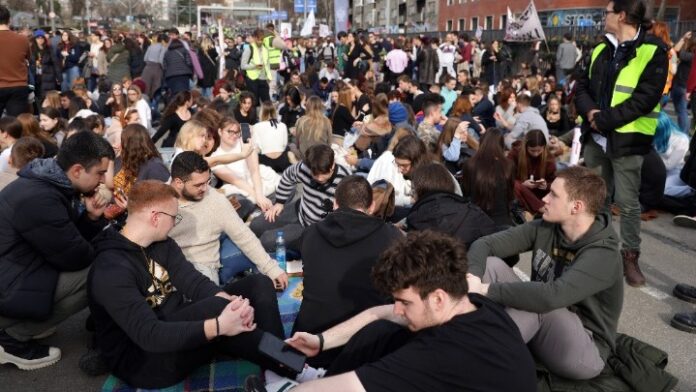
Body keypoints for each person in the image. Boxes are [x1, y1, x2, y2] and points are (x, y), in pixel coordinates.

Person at [264, 230, 536, 391]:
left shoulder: (441, 354)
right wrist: (321, 341)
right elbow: (380, 313)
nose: (397, 308)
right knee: (386, 327)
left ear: (438, 298)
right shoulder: (476, 305)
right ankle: (324, 372)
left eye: (405, 302)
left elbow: (350, 388)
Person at [88, 179, 296, 389]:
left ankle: (278, 369)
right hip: (145, 361)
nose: (175, 222)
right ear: (155, 218)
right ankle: (296, 366)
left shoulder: (161, 243)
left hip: (177, 325)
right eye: (174, 217)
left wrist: (230, 302)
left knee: (258, 284)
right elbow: (149, 334)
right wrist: (219, 325)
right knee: (219, 310)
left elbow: (193, 282)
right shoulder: (110, 269)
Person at [466, 166, 621, 380]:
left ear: (576, 207)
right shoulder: (547, 226)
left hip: (584, 350)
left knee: (539, 303)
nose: (545, 199)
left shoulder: (604, 253)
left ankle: (474, 365)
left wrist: (484, 289)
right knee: (491, 265)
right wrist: (473, 277)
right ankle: (460, 335)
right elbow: (484, 244)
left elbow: (550, 297)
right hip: (543, 326)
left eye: (554, 195)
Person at [0, 131, 113, 370]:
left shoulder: (46, 182)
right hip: (8, 285)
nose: (103, 180)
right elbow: (75, 257)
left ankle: (25, 322)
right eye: (100, 173)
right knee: (101, 272)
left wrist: (92, 218)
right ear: (77, 170)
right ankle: (12, 339)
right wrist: (99, 233)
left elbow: (66, 242)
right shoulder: (41, 198)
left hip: (14, 271)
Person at [575, 0, 668, 287]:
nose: (604, 16)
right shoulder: (601, 47)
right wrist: (590, 112)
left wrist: (604, 119)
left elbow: (645, 98)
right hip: (596, 137)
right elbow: (579, 84)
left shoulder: (653, 51)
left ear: (622, 16)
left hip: (628, 140)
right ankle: (596, 250)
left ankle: (629, 257)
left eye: (608, 12)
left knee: (627, 203)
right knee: (595, 197)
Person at [293, 175, 402, 366]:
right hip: (366, 346)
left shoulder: (310, 233)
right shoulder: (392, 236)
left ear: (335, 203)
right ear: (371, 207)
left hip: (311, 341)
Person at [167, 151, 287, 288]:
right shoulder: (159, 200)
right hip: (166, 266)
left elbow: (243, 235)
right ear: (178, 182)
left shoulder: (215, 201)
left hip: (202, 267)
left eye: (208, 182)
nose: (205, 188)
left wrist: (271, 269)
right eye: (198, 185)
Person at [250, 144, 351, 251]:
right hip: (300, 208)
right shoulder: (305, 167)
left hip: (314, 228)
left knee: (266, 241)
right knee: (255, 226)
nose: (320, 178)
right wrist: (280, 202)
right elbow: (288, 176)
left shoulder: (346, 180)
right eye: (315, 174)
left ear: (332, 165)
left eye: (325, 174)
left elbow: (351, 213)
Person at [407, 163, 497, 248]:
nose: (411, 194)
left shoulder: (414, 220)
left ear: (419, 191)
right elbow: (495, 241)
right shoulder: (472, 211)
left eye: (413, 190)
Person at [212, 117, 279, 211]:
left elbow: (254, 170)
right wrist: (258, 198)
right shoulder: (215, 156)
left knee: (282, 189)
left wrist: (260, 196)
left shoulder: (244, 143)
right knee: (242, 202)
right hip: (240, 187)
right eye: (230, 131)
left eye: (236, 132)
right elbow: (237, 181)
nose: (234, 135)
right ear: (220, 131)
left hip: (258, 180)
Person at [461, 128, 515, 227]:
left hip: (477, 219)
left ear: (482, 142)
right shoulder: (508, 165)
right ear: (501, 145)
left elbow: (466, 191)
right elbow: (510, 195)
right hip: (503, 220)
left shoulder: (470, 164)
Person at [509, 129, 557, 215]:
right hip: (519, 193)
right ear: (525, 147)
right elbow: (507, 176)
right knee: (515, 185)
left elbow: (553, 181)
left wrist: (546, 185)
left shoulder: (549, 158)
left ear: (544, 147)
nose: (536, 154)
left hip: (539, 195)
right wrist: (523, 184)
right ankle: (541, 209)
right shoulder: (515, 154)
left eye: (539, 150)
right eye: (532, 150)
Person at [0, 6, 31, 116]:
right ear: (9, 20)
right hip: (18, 85)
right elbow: (28, 59)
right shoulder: (22, 39)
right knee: (16, 126)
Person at [253, 101, 292, 173]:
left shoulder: (257, 126)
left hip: (266, 163)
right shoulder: (282, 125)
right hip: (283, 162)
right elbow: (284, 144)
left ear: (262, 112)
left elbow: (256, 147)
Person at [294, 96, 332, 160]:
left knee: (291, 146)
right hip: (321, 157)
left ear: (307, 106)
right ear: (320, 106)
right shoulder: (326, 121)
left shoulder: (301, 121)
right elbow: (329, 143)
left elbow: (297, 143)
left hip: (305, 157)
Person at [242, 29, 272, 105]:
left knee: (267, 102)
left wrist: (269, 76)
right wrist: (254, 66)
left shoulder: (265, 49)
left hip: (263, 79)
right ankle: (254, 116)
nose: (260, 41)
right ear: (254, 38)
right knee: (254, 103)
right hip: (252, 80)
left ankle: (268, 116)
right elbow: (243, 65)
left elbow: (267, 64)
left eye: (262, 39)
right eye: (259, 39)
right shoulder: (249, 48)